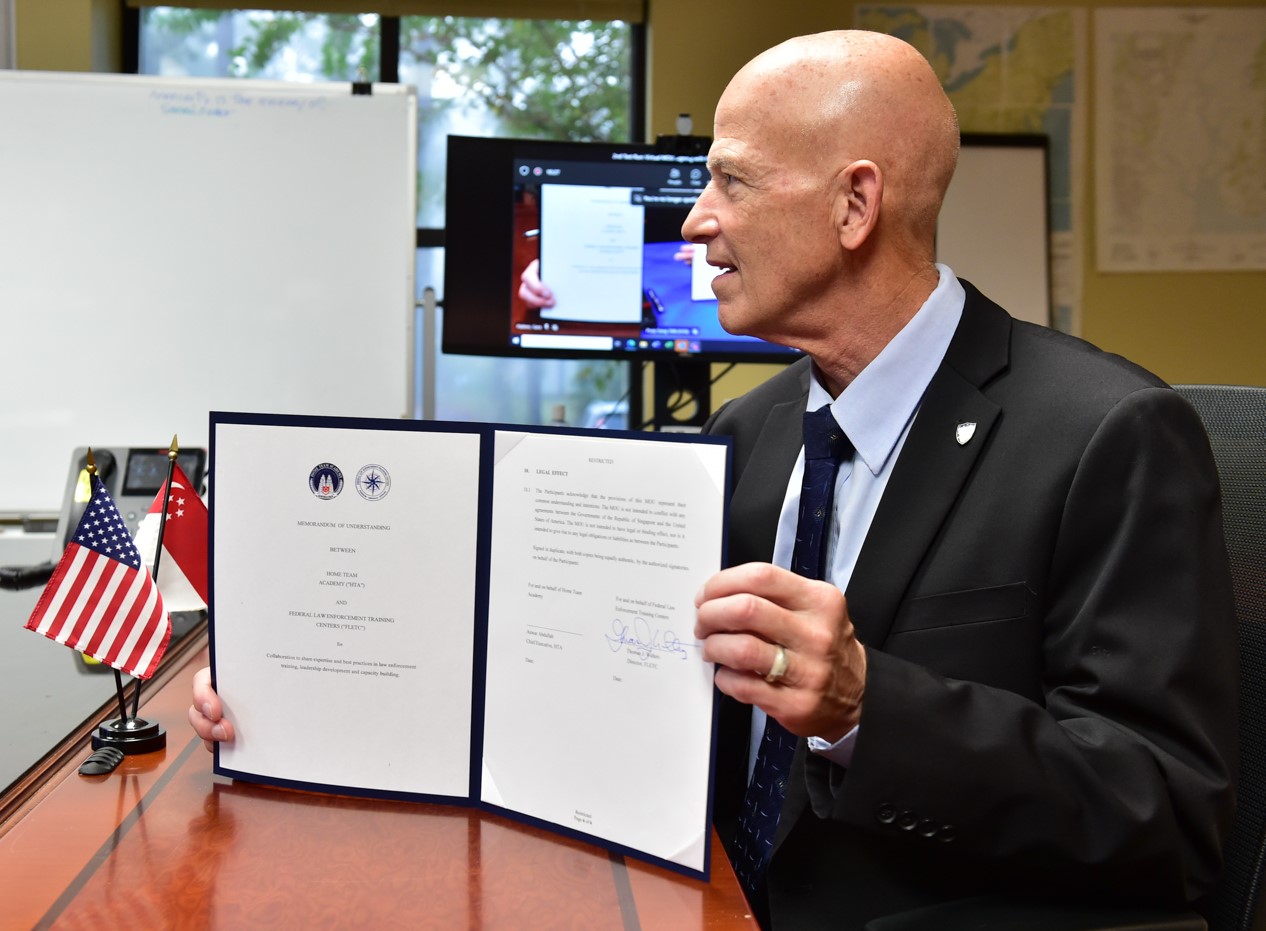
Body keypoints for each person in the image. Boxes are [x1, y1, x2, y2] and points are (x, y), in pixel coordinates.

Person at [193, 30, 1238, 930]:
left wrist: (870, 706)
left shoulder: (1109, 434)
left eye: (730, 180)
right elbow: (588, 662)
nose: (694, 220)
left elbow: (1170, 815)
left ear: (854, 204)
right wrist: (301, 678)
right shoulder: (752, 431)